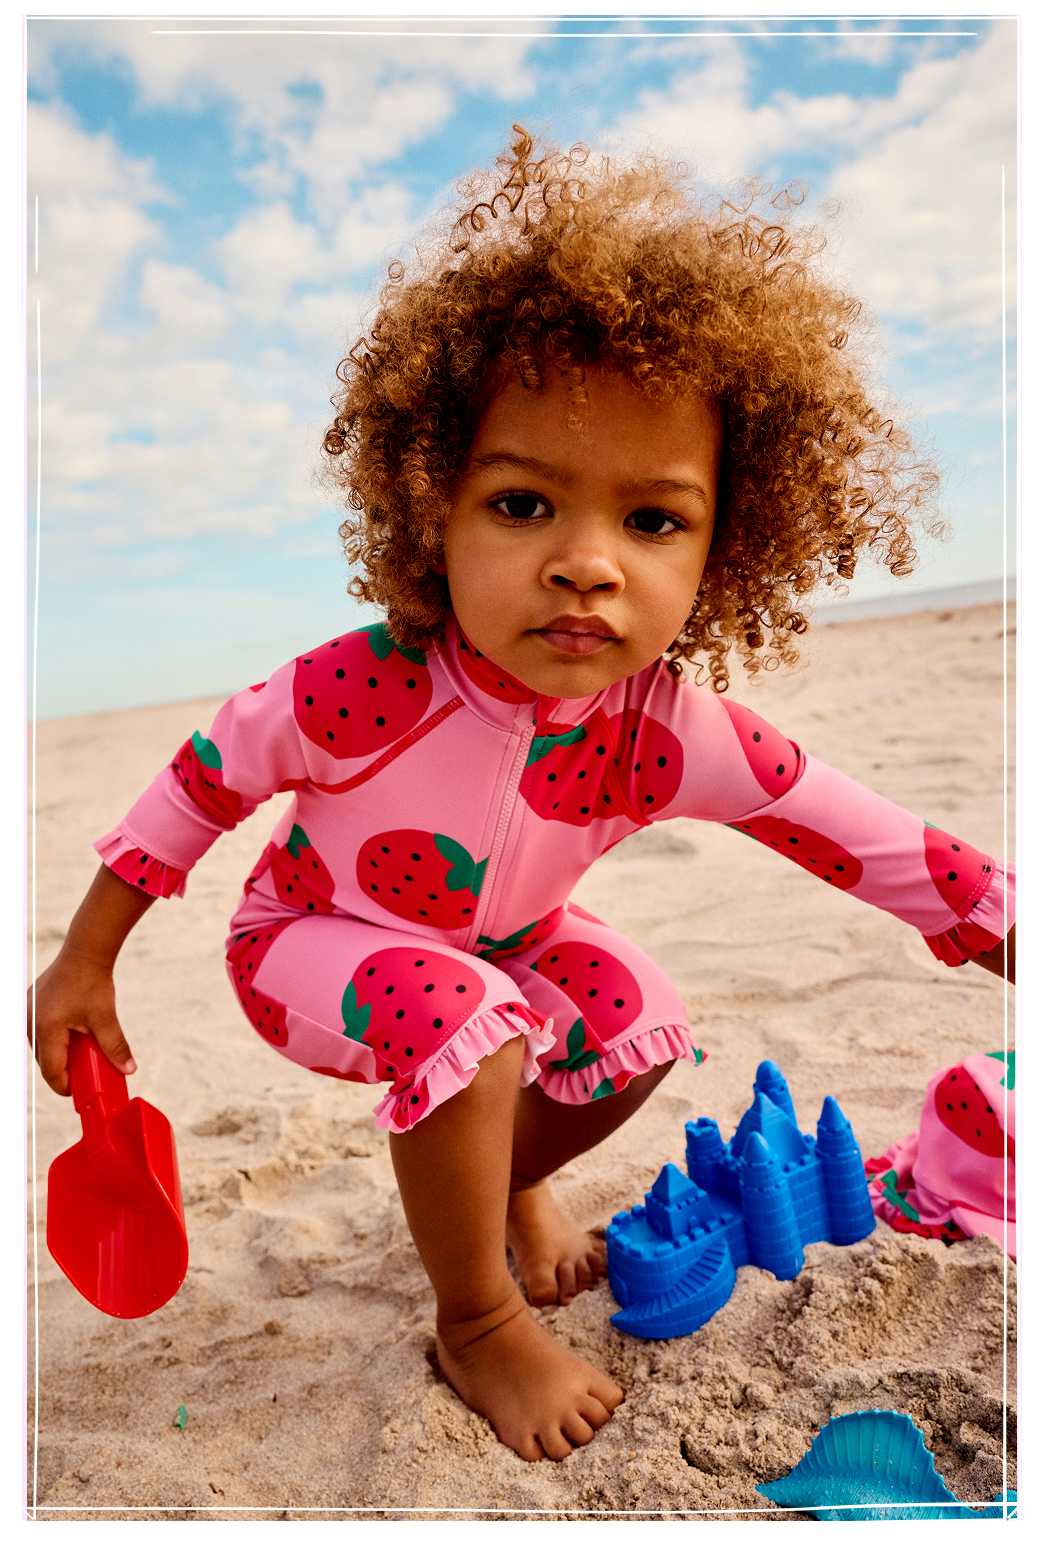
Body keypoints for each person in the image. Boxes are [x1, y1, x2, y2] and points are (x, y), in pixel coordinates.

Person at [28, 127, 1015, 1464]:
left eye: (653, 521)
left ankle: (504, 1182)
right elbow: (195, 788)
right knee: (470, 1020)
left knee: (639, 1020)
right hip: (313, 947)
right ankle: (474, 1311)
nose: (587, 564)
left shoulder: (667, 728)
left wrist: (994, 918)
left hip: (500, 951)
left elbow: (860, 832)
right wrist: (87, 959)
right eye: (523, 504)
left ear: (727, 545)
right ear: (433, 506)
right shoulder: (353, 684)